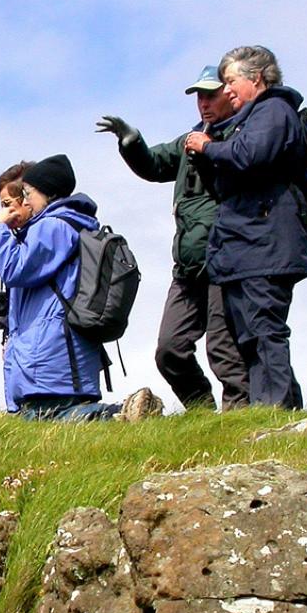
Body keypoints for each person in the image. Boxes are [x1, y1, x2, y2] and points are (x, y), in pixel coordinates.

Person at [96, 66, 249, 411]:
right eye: (199, 96)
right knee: (170, 349)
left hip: (225, 260)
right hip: (187, 266)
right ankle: (202, 411)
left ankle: (239, 418)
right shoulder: (188, 142)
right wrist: (131, 141)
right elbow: (152, 165)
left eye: (211, 95)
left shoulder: (240, 141)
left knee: (225, 350)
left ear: (229, 94)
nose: (204, 103)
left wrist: (211, 150)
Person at [0, 154, 162, 421]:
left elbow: (15, 269)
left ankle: (120, 415)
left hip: (51, 350)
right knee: (39, 419)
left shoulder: (54, 227)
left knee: (52, 416)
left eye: (28, 193)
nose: (26, 200)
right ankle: (123, 414)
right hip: (48, 350)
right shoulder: (50, 228)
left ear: (46, 192)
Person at [184, 46, 307, 409]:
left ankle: (274, 409)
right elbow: (230, 179)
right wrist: (206, 156)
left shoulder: (273, 110)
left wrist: (208, 148)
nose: (226, 91)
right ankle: (275, 409)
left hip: (266, 244)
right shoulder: (252, 117)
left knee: (263, 330)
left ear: (256, 78)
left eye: (230, 81)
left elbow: (249, 156)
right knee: (250, 335)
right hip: (248, 244)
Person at [0, 161, 35, 344]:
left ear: (26, 198)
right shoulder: (22, 239)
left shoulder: (44, 233)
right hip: (23, 345)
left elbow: (13, 271)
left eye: (7, 204)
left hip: (40, 348)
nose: (3, 211)